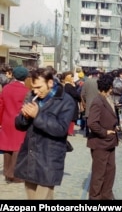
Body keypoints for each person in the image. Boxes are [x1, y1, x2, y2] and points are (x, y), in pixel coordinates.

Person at [14, 67, 76, 200]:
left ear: (50, 83)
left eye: (38, 87)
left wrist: (37, 116)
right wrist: (24, 117)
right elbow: (19, 125)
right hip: (30, 157)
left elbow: (60, 128)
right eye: (33, 87)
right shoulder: (31, 96)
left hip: (49, 158)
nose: (35, 91)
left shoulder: (66, 101)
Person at [87, 74, 118, 200]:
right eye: (111, 87)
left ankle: (106, 195)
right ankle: (95, 197)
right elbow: (92, 123)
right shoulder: (98, 101)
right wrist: (105, 132)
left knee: (110, 171)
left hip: (110, 143)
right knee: (99, 174)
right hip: (100, 143)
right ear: (109, 87)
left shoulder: (107, 98)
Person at [0, 66, 30, 183]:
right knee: (18, 146)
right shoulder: (26, 91)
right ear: (26, 77)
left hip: (6, 120)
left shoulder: (6, 88)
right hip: (20, 121)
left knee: (7, 146)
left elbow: (1, 105)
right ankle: (14, 173)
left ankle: (7, 171)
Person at [81, 69, 100, 137]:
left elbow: (82, 94)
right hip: (98, 101)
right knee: (97, 116)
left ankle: (87, 132)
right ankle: (96, 131)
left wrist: (85, 100)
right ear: (98, 74)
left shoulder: (86, 82)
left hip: (89, 102)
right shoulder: (99, 82)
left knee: (88, 116)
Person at [62, 70, 82, 136]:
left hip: (68, 103)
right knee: (72, 118)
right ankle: (70, 131)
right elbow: (75, 94)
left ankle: (69, 131)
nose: (73, 79)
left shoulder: (65, 86)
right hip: (72, 103)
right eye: (72, 77)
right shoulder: (69, 86)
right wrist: (79, 98)